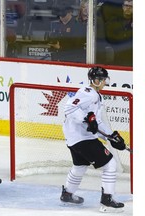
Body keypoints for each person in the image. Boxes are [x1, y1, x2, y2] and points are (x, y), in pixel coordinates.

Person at [60, 66, 127, 212]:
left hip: (74, 138)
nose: (101, 82)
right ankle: (107, 201)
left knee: (80, 166)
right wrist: (87, 119)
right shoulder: (88, 93)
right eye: (98, 79)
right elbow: (69, 108)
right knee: (110, 165)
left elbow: (97, 123)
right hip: (82, 138)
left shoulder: (97, 96)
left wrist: (112, 136)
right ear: (92, 80)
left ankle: (67, 194)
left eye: (102, 79)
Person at [103, 0, 133, 66]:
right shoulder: (113, 21)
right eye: (126, 6)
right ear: (122, 7)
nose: (128, 8)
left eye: (131, 6)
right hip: (116, 59)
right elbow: (108, 39)